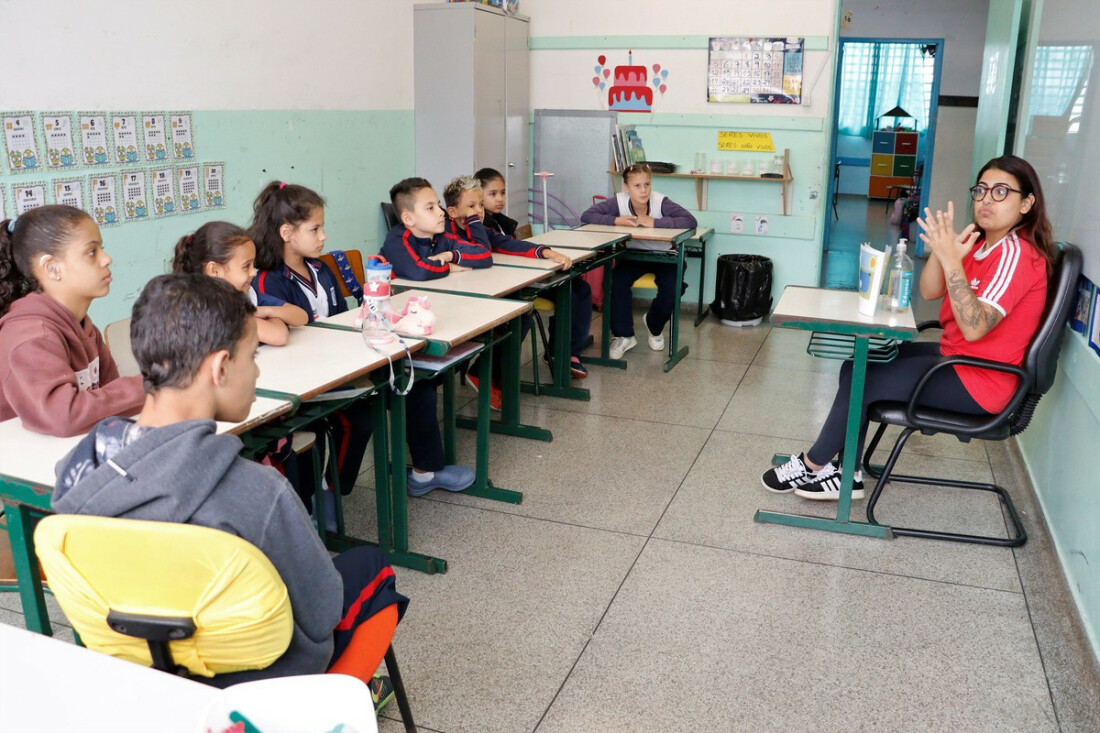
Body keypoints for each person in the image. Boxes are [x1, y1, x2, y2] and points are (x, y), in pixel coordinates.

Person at [51, 273, 409, 706]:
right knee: (372, 565)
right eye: (251, 356)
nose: (256, 370)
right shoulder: (259, 490)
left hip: (139, 668)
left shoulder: (77, 472)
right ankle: (332, 706)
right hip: (264, 678)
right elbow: (322, 613)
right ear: (221, 368)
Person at [762, 155, 1053, 501]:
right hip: (957, 358)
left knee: (864, 380)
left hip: (982, 381)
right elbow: (930, 291)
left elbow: (975, 327)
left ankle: (814, 464)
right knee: (856, 366)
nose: (987, 199)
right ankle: (847, 472)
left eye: (1002, 191)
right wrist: (942, 254)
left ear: (1027, 203)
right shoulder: (979, 243)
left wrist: (951, 260)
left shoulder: (1015, 254)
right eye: (981, 190)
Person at [250, 181, 473, 497]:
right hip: (309, 380)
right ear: (287, 233)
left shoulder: (321, 270)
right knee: (358, 420)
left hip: (344, 365)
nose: (324, 236)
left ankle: (425, 473)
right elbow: (280, 341)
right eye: (315, 229)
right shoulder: (268, 281)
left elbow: (344, 321)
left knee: (417, 387)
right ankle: (331, 494)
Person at [0, 205, 144, 436]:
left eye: (102, 249)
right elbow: (62, 416)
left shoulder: (84, 326)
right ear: (52, 268)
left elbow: (113, 399)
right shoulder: (31, 335)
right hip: (21, 468)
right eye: (91, 252)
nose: (107, 259)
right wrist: (150, 385)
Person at [474, 167, 594, 379]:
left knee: (579, 288)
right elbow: (505, 248)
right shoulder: (479, 225)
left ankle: (564, 352)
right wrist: (545, 252)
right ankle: (488, 373)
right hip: (506, 285)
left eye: (503, 192)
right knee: (526, 314)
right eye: (492, 194)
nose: (500, 198)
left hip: (524, 277)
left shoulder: (503, 221)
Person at [580, 163, 698, 359]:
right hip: (633, 257)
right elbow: (587, 215)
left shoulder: (661, 202)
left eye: (647, 185)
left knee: (673, 287)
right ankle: (624, 335)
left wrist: (656, 222)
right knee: (616, 282)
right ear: (626, 187)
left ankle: (654, 323)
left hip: (665, 256)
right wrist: (616, 220)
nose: (643, 191)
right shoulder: (618, 201)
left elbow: (690, 221)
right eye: (637, 186)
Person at [172, 220, 308, 346]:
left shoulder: (246, 294)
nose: (253, 272)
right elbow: (279, 336)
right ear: (214, 270)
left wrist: (266, 311)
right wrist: (273, 317)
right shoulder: (208, 308)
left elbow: (301, 317)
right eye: (246, 266)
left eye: (253, 264)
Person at [381, 176, 492, 282]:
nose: (441, 212)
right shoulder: (396, 239)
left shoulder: (442, 237)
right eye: (430, 208)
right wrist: (448, 267)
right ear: (408, 219)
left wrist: (451, 255)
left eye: (438, 205)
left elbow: (485, 255)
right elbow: (419, 271)